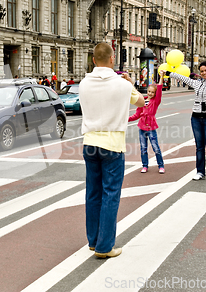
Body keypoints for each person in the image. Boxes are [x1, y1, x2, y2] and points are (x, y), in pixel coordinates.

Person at [80, 42, 144, 259]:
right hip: (113, 145)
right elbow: (142, 103)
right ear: (112, 58)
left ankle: (93, 241)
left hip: (89, 143)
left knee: (93, 193)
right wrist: (131, 84)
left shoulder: (83, 83)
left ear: (93, 60)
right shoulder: (123, 85)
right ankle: (105, 247)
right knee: (110, 195)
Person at [165, 60, 206, 181]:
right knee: (199, 147)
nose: (204, 73)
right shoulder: (197, 83)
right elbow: (183, 78)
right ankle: (200, 171)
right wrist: (168, 73)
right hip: (196, 118)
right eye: (202, 71)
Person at [128, 73, 165, 174]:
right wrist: (127, 119)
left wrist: (161, 77)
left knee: (155, 148)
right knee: (143, 148)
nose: (150, 94)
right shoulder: (142, 102)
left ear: (154, 94)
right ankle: (145, 166)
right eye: (149, 91)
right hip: (142, 128)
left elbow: (160, 89)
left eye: (152, 92)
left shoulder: (156, 101)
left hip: (151, 128)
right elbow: (136, 115)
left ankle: (161, 166)